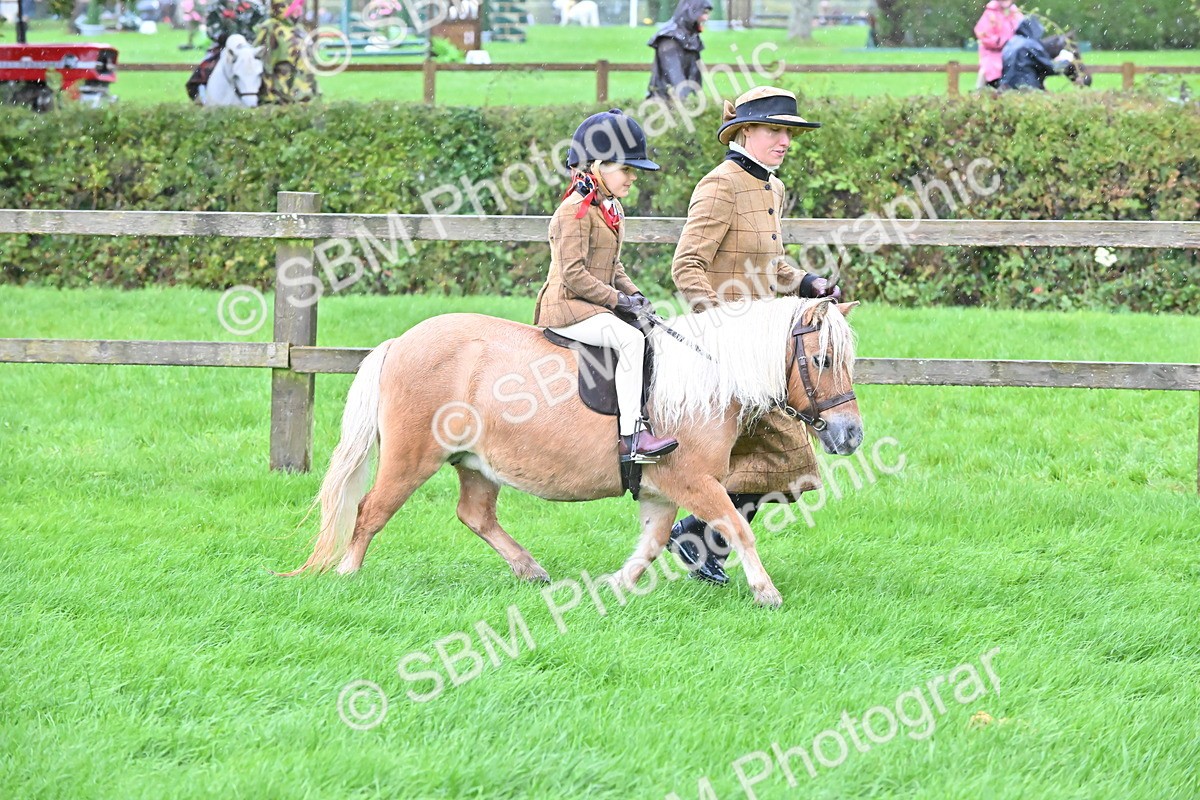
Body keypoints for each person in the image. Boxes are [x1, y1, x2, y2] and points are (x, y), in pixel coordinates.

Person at [667, 86, 841, 584]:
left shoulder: (773, 187)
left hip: (764, 352)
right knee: (787, 457)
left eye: (789, 132)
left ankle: (699, 538)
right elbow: (687, 266)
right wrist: (714, 329)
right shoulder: (720, 185)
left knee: (792, 462)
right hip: (726, 353)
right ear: (745, 132)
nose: (784, 141)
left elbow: (771, 265)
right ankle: (703, 539)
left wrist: (806, 282)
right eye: (774, 131)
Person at [532, 110, 679, 463]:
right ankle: (631, 436)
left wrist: (636, 295)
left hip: (592, 304)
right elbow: (573, 275)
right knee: (630, 338)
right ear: (597, 166)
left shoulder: (610, 209)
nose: (632, 178)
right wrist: (619, 300)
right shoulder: (574, 210)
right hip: (567, 307)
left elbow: (614, 267)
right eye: (626, 169)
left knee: (649, 330)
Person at [255, 0, 319, 104]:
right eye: (295, 6)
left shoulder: (300, 29)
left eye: (300, 6)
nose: (299, 10)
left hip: (304, 95)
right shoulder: (270, 28)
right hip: (281, 96)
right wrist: (269, 96)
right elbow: (265, 65)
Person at [646, 0, 712, 101]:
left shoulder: (692, 37)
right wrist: (687, 103)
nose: (706, 18)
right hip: (664, 103)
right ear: (691, 11)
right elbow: (675, 76)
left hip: (683, 104)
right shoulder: (669, 39)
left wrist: (697, 101)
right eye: (703, 12)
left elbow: (694, 76)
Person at [999, 15, 1075, 91]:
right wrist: (1066, 60)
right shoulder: (1031, 45)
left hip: (1007, 88)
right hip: (1025, 88)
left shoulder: (1012, 42)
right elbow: (1052, 68)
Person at [973, 0, 1023, 89]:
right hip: (993, 54)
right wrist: (1002, 42)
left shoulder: (1016, 14)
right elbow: (983, 34)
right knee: (987, 72)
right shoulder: (990, 14)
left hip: (1013, 54)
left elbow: (1024, 31)